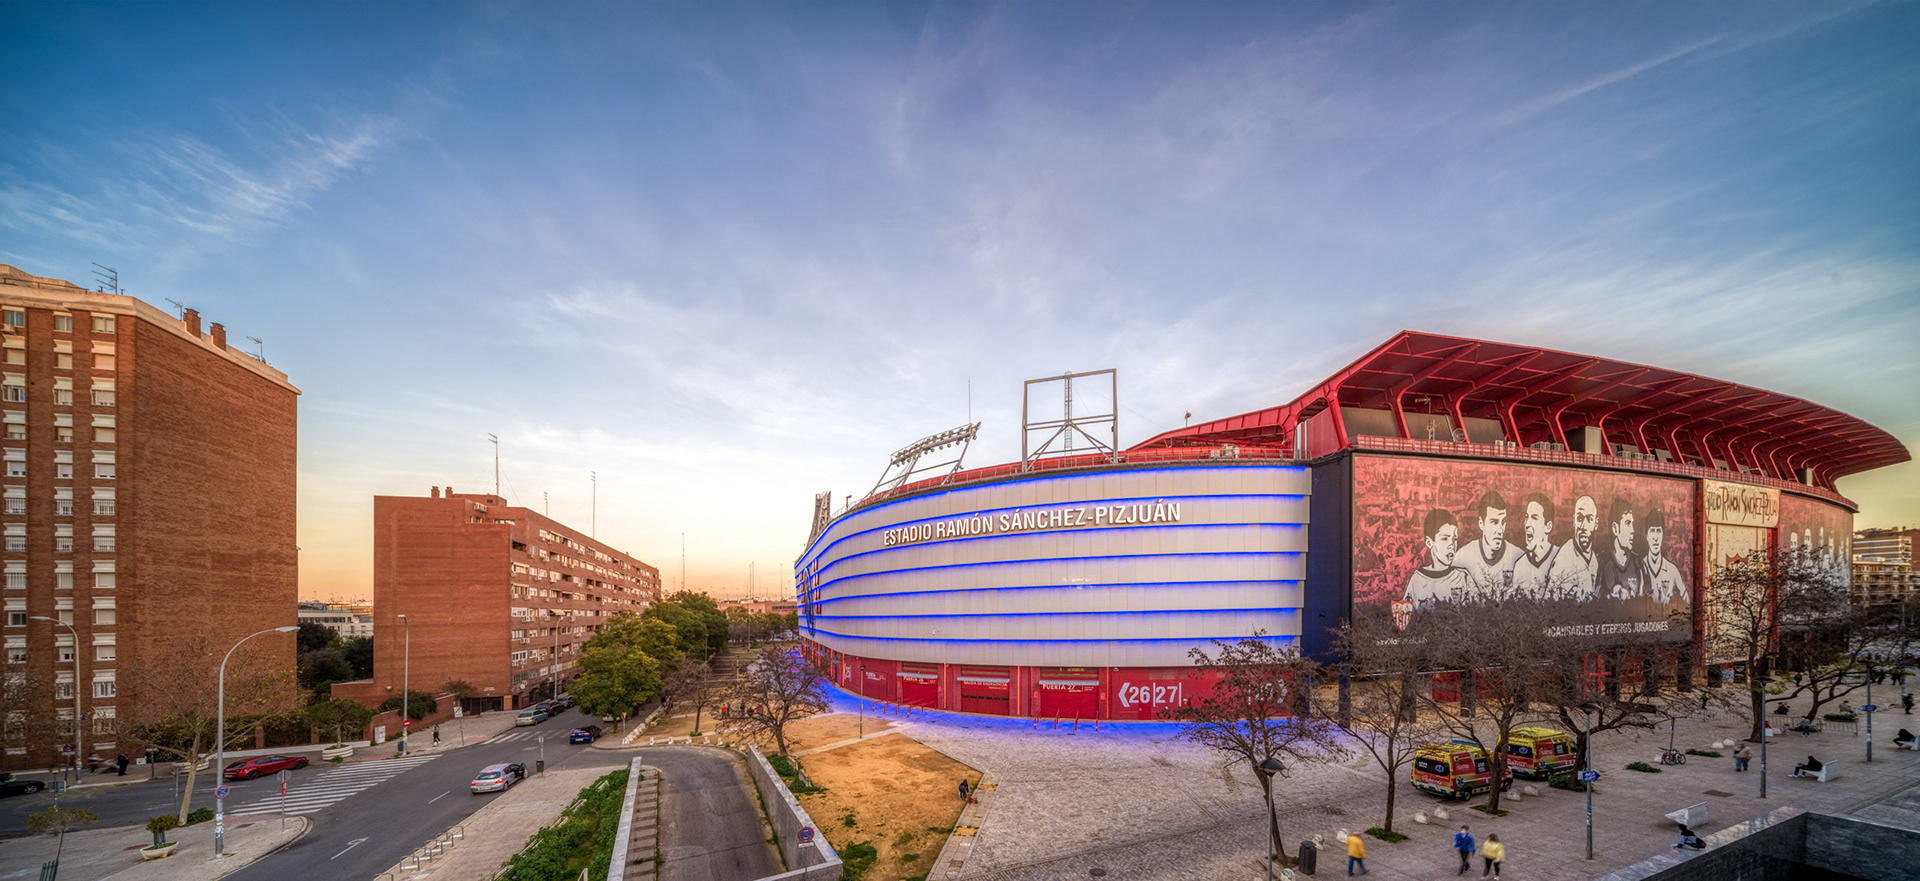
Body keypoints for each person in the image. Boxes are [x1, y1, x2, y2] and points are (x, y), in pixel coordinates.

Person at [1456, 491, 1522, 599]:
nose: (1500, 529)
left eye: (1503, 522)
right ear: (1481, 524)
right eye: (1494, 522)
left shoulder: (1517, 556)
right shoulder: (1463, 556)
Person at [1403, 509, 1471, 609]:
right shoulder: (1417, 579)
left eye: (1454, 539)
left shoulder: (1463, 577)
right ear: (1429, 543)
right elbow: (1405, 615)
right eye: (1444, 539)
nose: (1451, 545)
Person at [1546, 496, 1600, 600]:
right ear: (1574, 521)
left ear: (1596, 524)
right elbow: (1551, 603)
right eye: (1580, 518)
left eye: (1589, 519)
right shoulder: (1564, 558)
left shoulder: (1595, 559)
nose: (1583, 526)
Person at [1509, 494, 1559, 597]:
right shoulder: (1519, 565)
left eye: (1534, 518)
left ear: (1548, 527)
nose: (1527, 524)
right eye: (1526, 517)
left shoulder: (1559, 557)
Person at [1595, 499, 1644, 600]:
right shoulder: (1603, 562)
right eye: (1627, 523)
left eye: (1632, 524)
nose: (1632, 530)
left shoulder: (1638, 563)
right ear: (1615, 529)